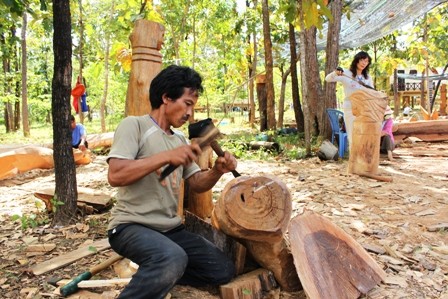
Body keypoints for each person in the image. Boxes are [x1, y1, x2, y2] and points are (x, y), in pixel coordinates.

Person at [106, 65, 237, 299]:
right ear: (166, 97)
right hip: (131, 226)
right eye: (187, 103)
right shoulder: (134, 125)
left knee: (222, 269)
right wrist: (165, 157)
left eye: (193, 106)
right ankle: (162, 267)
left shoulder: (179, 139)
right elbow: (116, 175)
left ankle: (161, 269)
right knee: (172, 257)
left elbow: (197, 183)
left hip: (169, 230)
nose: (190, 113)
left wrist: (217, 171)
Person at [325, 51, 374, 145]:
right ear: (356, 60)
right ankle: (354, 158)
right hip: (350, 108)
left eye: (366, 61)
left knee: (363, 134)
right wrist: (335, 73)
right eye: (362, 60)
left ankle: (362, 158)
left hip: (364, 109)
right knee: (352, 135)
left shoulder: (368, 77)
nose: (364, 63)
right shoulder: (345, 73)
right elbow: (328, 79)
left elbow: (372, 92)